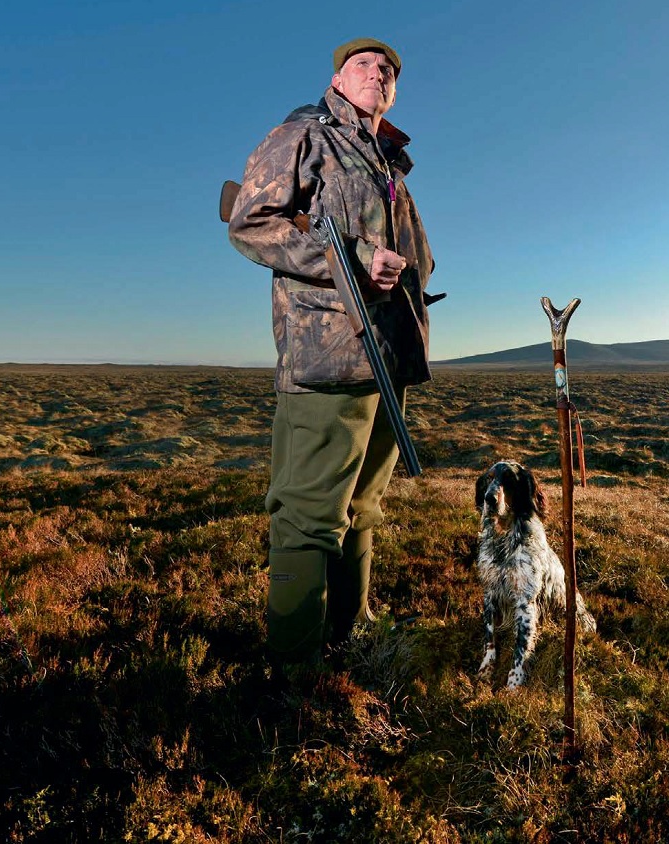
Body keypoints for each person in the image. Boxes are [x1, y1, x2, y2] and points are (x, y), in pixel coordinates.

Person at [228, 38, 437, 663]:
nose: (378, 74)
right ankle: (294, 671)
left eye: (388, 70)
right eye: (363, 66)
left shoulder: (389, 163)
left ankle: (351, 635)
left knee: (363, 507)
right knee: (309, 516)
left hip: (387, 354)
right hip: (326, 356)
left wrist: (407, 271)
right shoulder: (303, 136)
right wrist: (344, 255)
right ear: (337, 80)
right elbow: (250, 223)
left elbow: (416, 256)